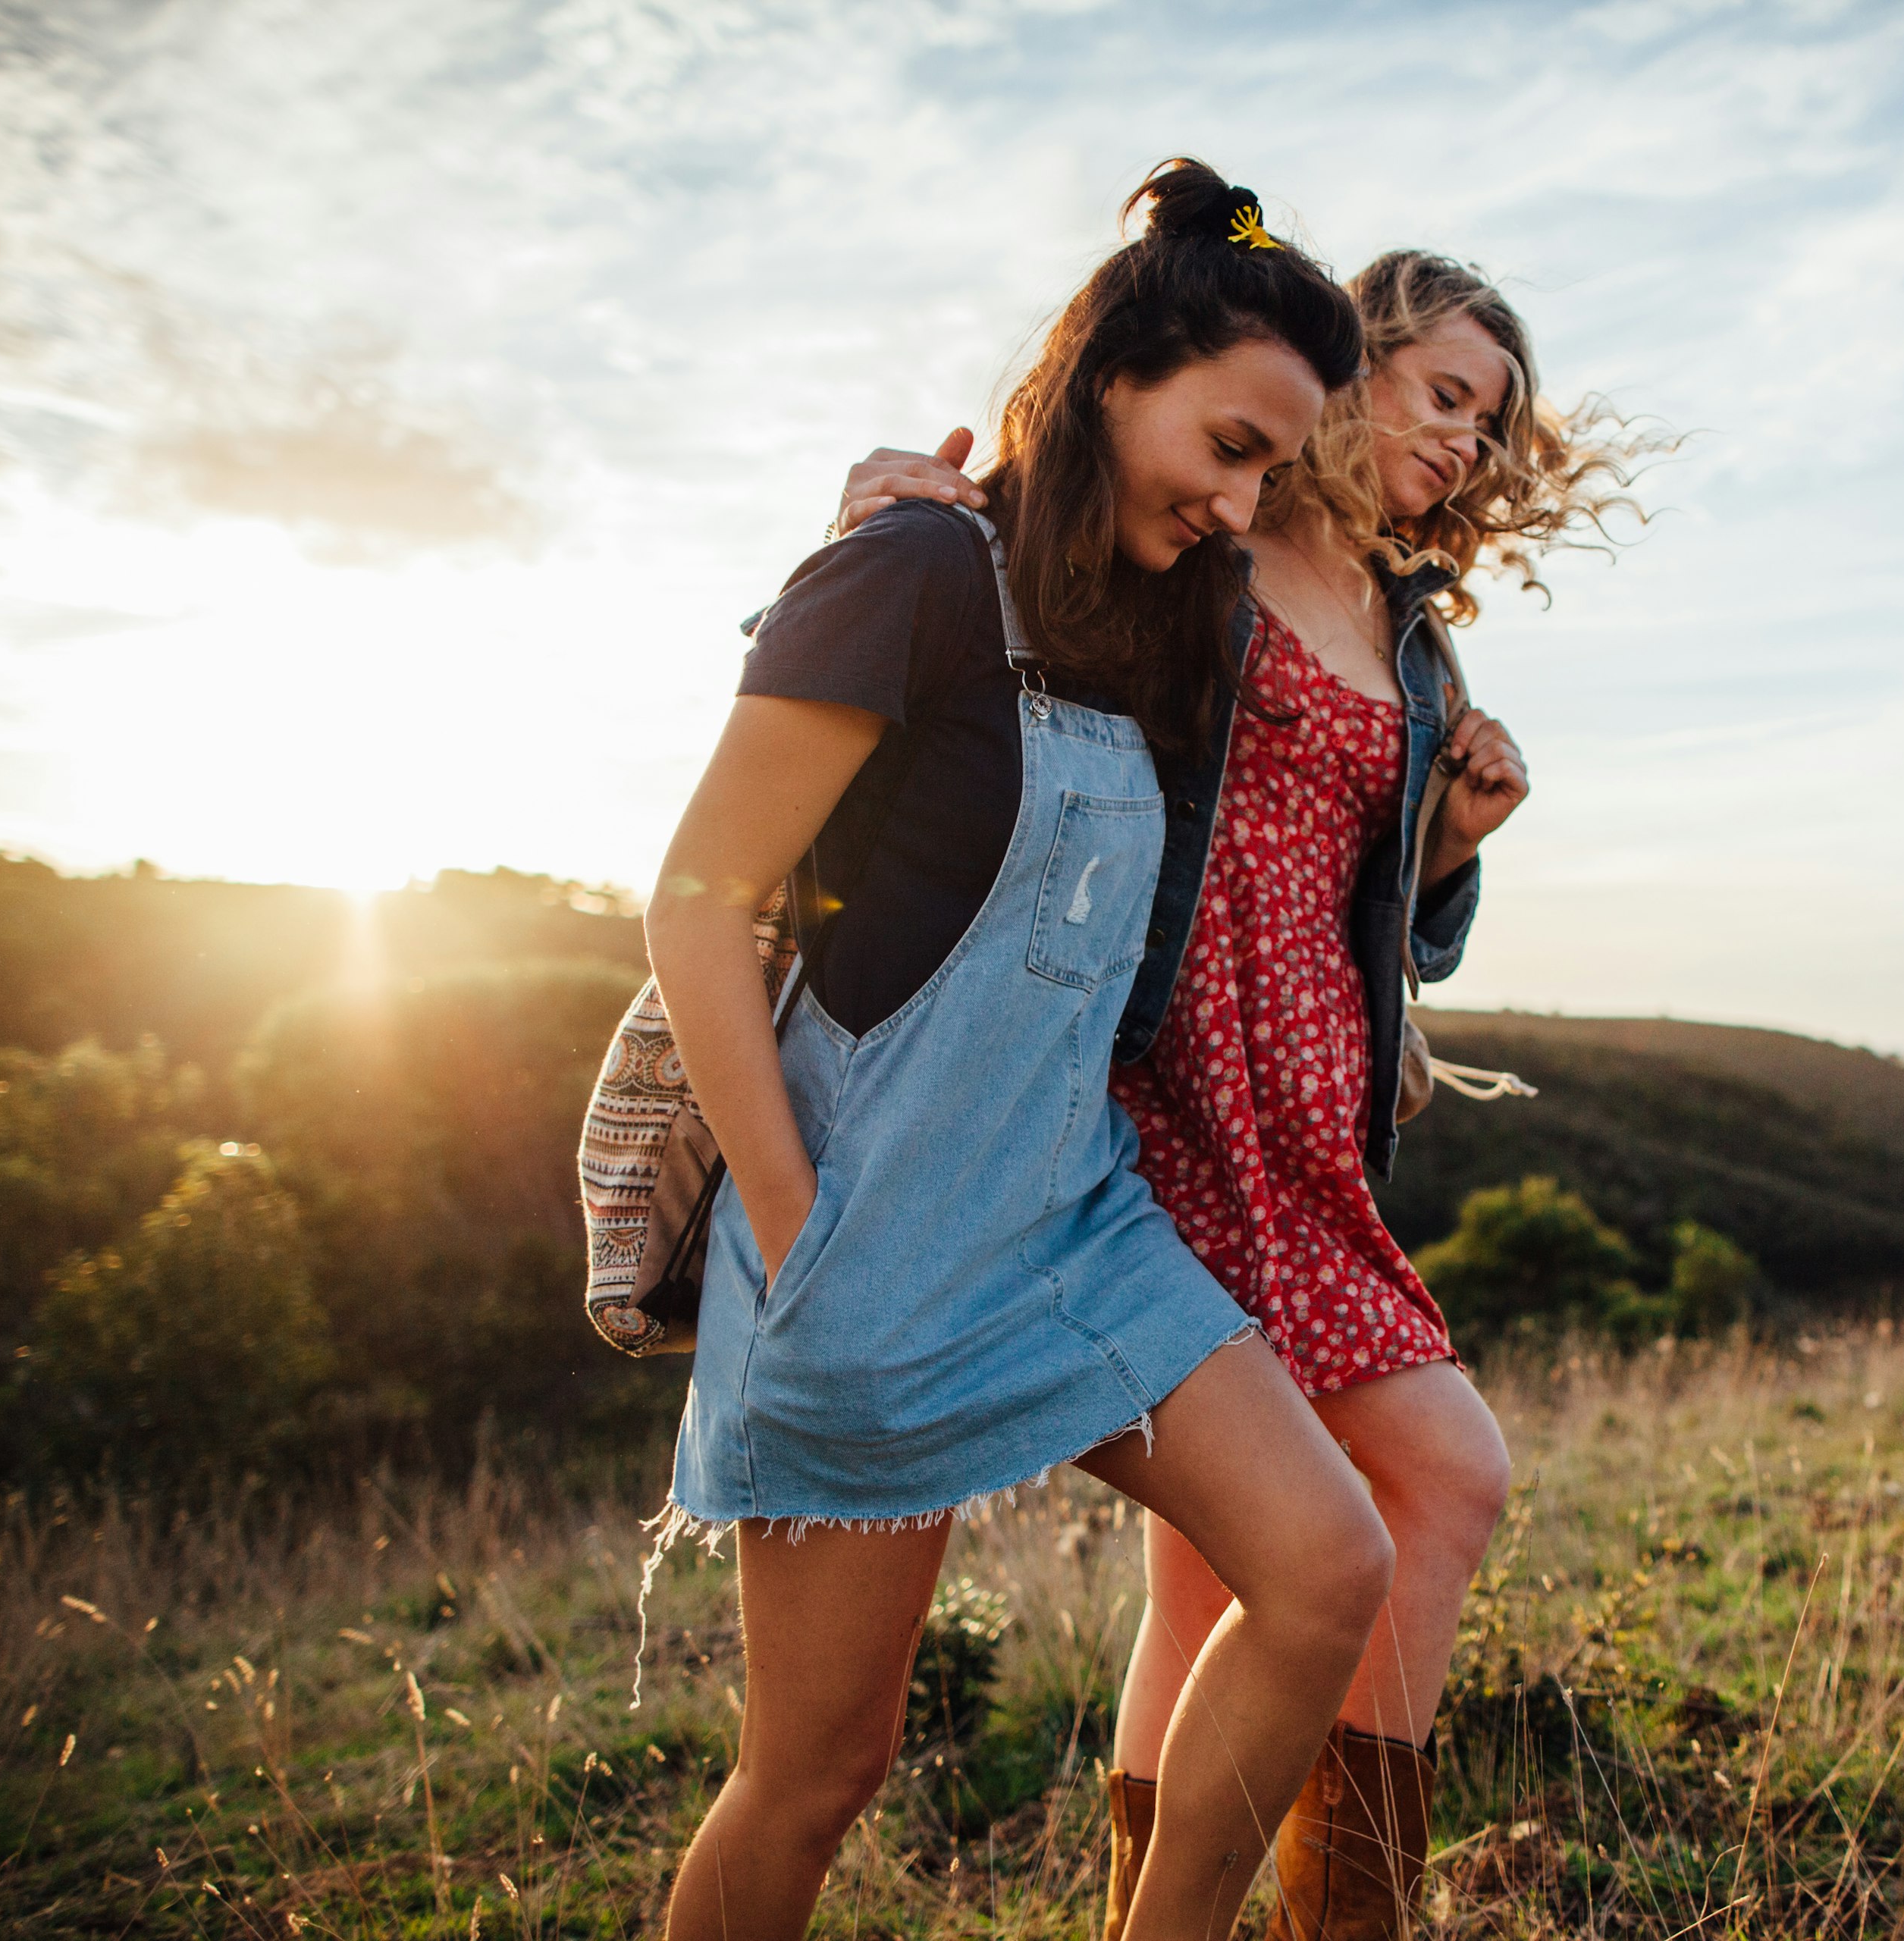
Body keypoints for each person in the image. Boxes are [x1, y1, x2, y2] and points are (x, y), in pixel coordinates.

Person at [828, 249, 1655, 1939]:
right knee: (1445, 1469)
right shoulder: (1201, 540)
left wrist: (1450, 850)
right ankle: (1334, 1923)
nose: (1467, 443)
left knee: (1218, 1570)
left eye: (1491, 422)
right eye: (1444, 392)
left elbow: (1391, 917)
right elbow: (1015, 565)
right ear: (1355, 368)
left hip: (1311, 1117)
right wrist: (900, 510)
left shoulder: (1414, 644)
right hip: (1152, 1088)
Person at [645, 161, 1396, 1941]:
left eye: (1269, 475)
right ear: (1111, 376)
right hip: (864, 1242)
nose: (1237, 501)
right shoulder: (907, 567)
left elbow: (1336, 774)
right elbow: (694, 900)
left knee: (1325, 1560)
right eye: (1224, 444)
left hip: (1074, 1226)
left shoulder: (1166, 623)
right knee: (819, 1775)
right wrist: (795, 1218)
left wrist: (1439, 847)